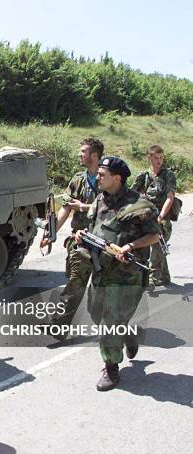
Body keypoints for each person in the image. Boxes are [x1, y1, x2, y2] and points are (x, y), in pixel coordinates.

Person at [74, 157, 160, 391]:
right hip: (101, 271)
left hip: (125, 276)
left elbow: (155, 236)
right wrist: (82, 235)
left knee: (109, 324)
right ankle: (129, 333)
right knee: (95, 313)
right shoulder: (99, 200)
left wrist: (130, 247)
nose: (98, 177)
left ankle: (111, 368)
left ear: (117, 178)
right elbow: (94, 229)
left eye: (102, 174)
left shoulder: (140, 205)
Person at [40, 138, 103, 336]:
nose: (79, 154)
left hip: (105, 242)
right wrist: (51, 234)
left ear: (94, 155)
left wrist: (84, 207)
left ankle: (120, 330)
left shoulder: (109, 177)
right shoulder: (78, 179)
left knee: (102, 294)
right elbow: (65, 209)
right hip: (80, 242)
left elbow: (117, 209)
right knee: (75, 282)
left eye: (83, 151)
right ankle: (59, 325)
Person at [131, 145, 176, 287]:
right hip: (146, 216)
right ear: (149, 157)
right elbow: (131, 194)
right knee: (150, 246)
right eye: (156, 158)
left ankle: (152, 279)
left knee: (157, 245)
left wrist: (161, 216)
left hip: (161, 217)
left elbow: (170, 197)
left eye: (161, 158)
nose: (159, 161)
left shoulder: (168, 175)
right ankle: (164, 276)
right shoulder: (143, 175)